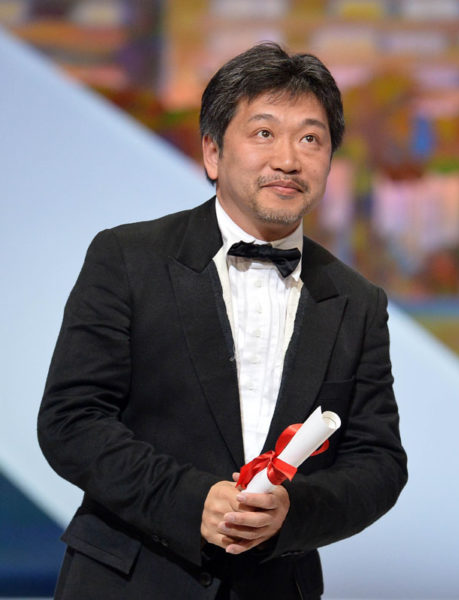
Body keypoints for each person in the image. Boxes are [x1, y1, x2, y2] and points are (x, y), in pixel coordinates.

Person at [38, 42, 407, 600]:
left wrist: (292, 511)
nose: (288, 159)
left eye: (310, 139)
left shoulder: (357, 301)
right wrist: (190, 501)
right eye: (264, 133)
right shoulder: (128, 258)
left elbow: (378, 462)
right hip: (128, 583)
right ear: (212, 152)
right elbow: (71, 421)